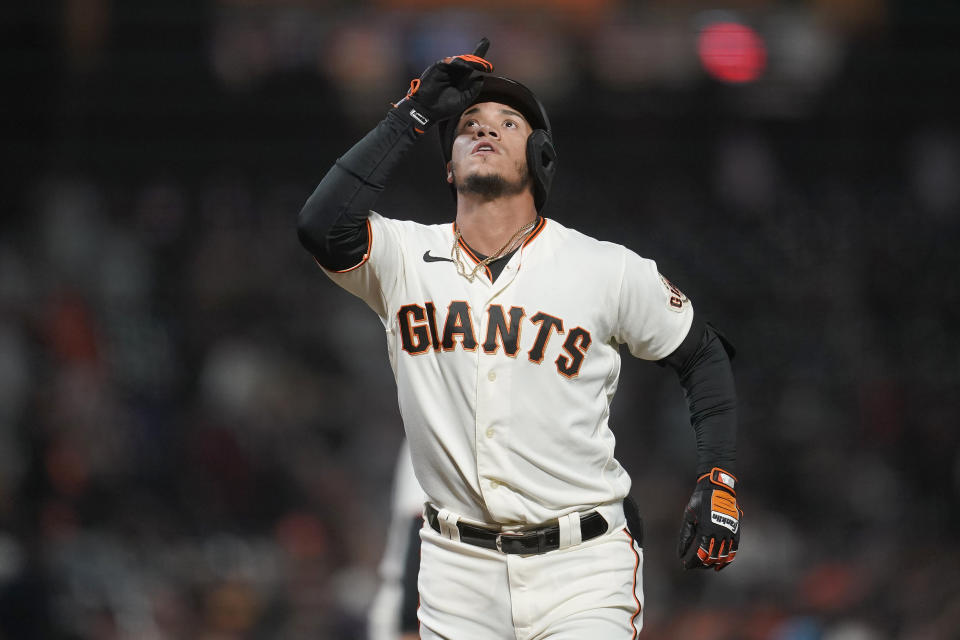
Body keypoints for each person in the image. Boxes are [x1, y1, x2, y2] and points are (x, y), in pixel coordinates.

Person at [297, 38, 742, 639]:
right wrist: (412, 113)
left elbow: (702, 354)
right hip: (457, 573)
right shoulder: (404, 257)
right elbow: (322, 225)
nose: (485, 131)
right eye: (468, 127)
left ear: (539, 158)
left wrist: (718, 477)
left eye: (509, 123)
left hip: (582, 568)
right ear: (448, 166)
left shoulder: (604, 267)